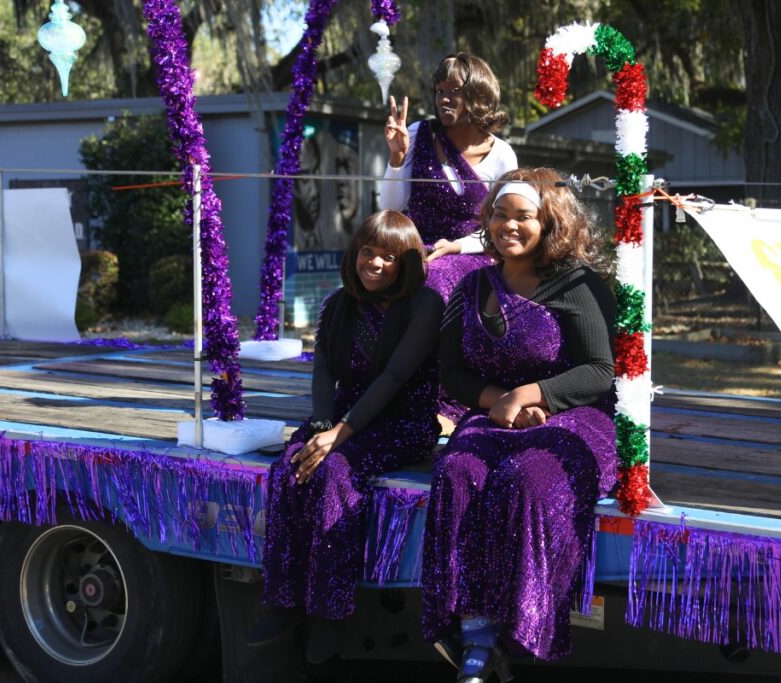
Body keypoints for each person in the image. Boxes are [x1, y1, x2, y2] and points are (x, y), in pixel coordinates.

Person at [421, 168, 618, 683]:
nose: (509, 225)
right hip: (493, 414)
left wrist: (532, 396)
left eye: (523, 217)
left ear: (548, 222)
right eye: (500, 215)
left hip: (575, 416)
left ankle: (524, 626)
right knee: (456, 473)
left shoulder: (577, 282)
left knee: (529, 481)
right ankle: (477, 637)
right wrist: (499, 403)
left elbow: (600, 371)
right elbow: (453, 372)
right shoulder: (471, 286)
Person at [252, 210, 443, 661]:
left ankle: (330, 611)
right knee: (290, 467)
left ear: (408, 262)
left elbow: (396, 375)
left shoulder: (424, 304)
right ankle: (285, 598)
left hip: (402, 420)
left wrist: (339, 435)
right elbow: (323, 370)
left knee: (336, 471)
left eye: (389, 257)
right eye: (368, 252)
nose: (374, 263)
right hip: (342, 416)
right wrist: (321, 426)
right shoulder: (339, 302)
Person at [379, 52, 518, 304]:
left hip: (471, 254)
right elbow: (390, 208)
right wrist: (397, 158)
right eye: (439, 91)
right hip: (414, 250)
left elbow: (503, 228)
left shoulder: (502, 155)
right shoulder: (417, 133)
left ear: (478, 95)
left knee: (432, 281)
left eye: (454, 90)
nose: (443, 99)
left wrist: (457, 246)